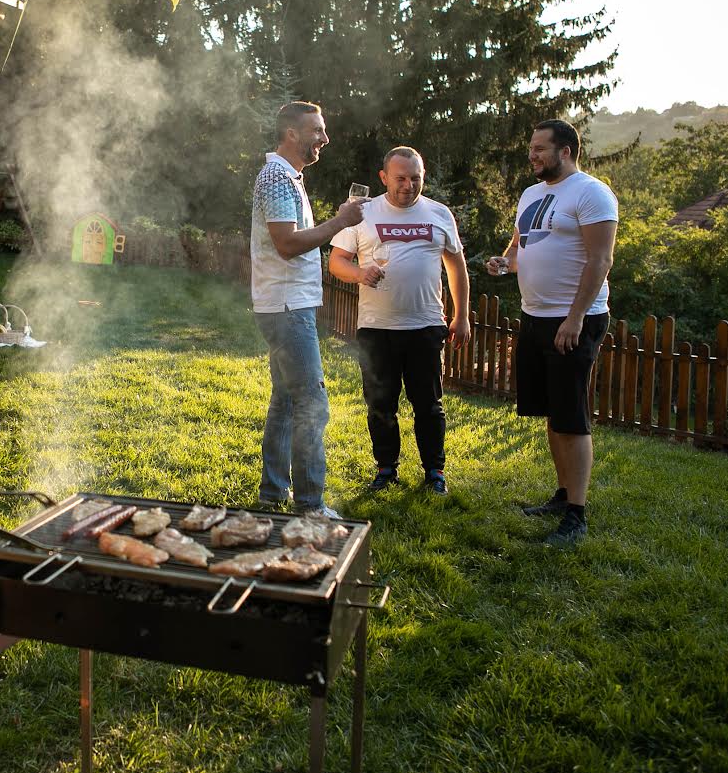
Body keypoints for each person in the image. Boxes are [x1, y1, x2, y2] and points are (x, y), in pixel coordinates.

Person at [486, 119, 618, 547]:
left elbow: (601, 260)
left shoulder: (591, 193)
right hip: (535, 316)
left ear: (565, 150)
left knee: (571, 415)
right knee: (550, 409)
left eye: (540, 148)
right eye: (531, 148)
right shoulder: (532, 194)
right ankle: (562, 495)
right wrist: (505, 263)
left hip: (574, 319)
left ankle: (576, 515)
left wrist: (576, 318)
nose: (532, 155)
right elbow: (520, 243)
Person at [328, 147, 470, 495]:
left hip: (426, 325)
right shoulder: (361, 213)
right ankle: (386, 469)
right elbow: (336, 262)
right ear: (383, 178)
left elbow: (456, 267)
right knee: (380, 404)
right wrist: (360, 273)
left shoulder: (439, 213)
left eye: (415, 178)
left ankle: (434, 472)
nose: (408, 185)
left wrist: (462, 315)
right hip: (376, 328)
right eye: (401, 178)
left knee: (428, 404)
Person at [250, 101, 366, 518]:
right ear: (292, 133)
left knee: (285, 400)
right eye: (317, 130)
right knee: (312, 403)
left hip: (284, 304)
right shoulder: (278, 178)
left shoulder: (288, 177)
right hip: (286, 306)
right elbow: (287, 244)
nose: (324, 138)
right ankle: (310, 505)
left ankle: (272, 493)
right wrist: (340, 222)